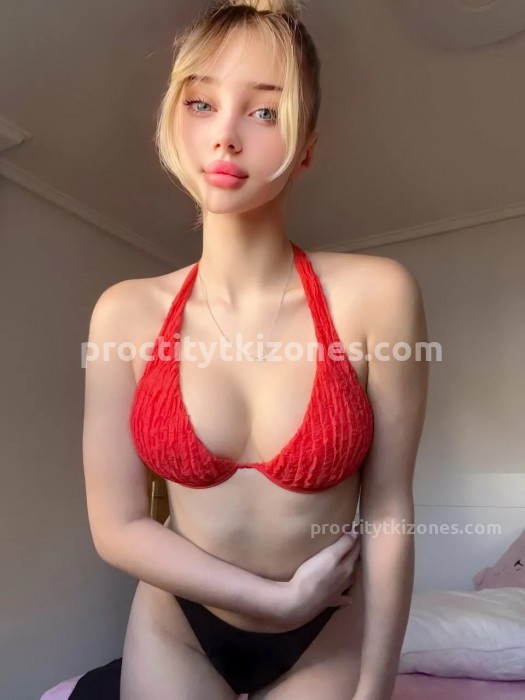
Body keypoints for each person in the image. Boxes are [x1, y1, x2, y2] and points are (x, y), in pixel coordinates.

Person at [80, 0, 429, 698]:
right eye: (202, 103)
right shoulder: (124, 314)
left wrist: (376, 686)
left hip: (326, 632)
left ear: (307, 147)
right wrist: (274, 600)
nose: (225, 136)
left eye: (265, 111)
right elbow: (116, 525)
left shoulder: (377, 296)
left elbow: (390, 509)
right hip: (176, 625)